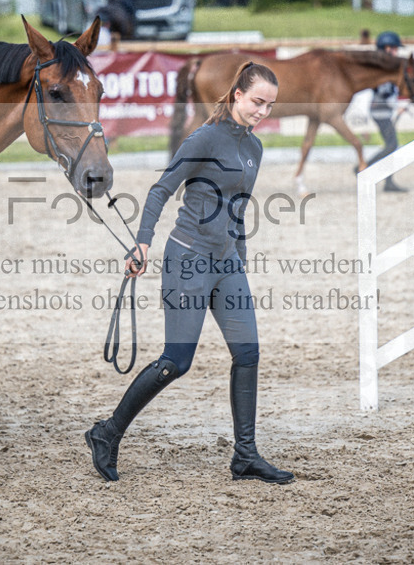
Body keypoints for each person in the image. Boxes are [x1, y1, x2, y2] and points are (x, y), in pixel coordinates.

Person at [86, 62, 294, 485]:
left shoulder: (254, 149)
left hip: (227, 264)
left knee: (248, 354)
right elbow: (161, 190)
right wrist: (142, 242)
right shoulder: (205, 138)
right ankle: (106, 433)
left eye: (270, 106)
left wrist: (240, 258)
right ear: (237, 94)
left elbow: (237, 209)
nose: (262, 111)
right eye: (257, 102)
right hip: (188, 259)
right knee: (176, 361)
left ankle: (245, 456)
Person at [368, 31, 407, 192]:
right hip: (380, 112)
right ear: (386, 48)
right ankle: (364, 167)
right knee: (392, 145)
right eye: (395, 48)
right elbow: (384, 91)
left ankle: (388, 182)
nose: (396, 52)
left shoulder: (385, 65)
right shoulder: (381, 67)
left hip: (384, 111)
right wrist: (396, 105)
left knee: (391, 145)